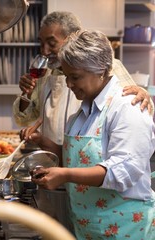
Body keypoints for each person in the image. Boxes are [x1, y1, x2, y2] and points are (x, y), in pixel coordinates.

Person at [20, 30, 155, 239]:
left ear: (100, 71)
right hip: (89, 229)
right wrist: (46, 143)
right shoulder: (81, 115)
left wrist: (64, 175)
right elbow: (77, 159)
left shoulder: (127, 107)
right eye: (66, 76)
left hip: (126, 229)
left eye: (75, 77)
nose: (69, 84)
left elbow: (122, 171)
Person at [12, 11, 153, 145]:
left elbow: (138, 106)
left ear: (72, 39)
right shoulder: (44, 73)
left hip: (91, 161)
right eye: (41, 43)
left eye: (52, 43)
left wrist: (142, 93)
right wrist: (27, 93)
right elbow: (23, 119)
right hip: (53, 157)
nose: (44, 51)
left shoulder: (106, 66)